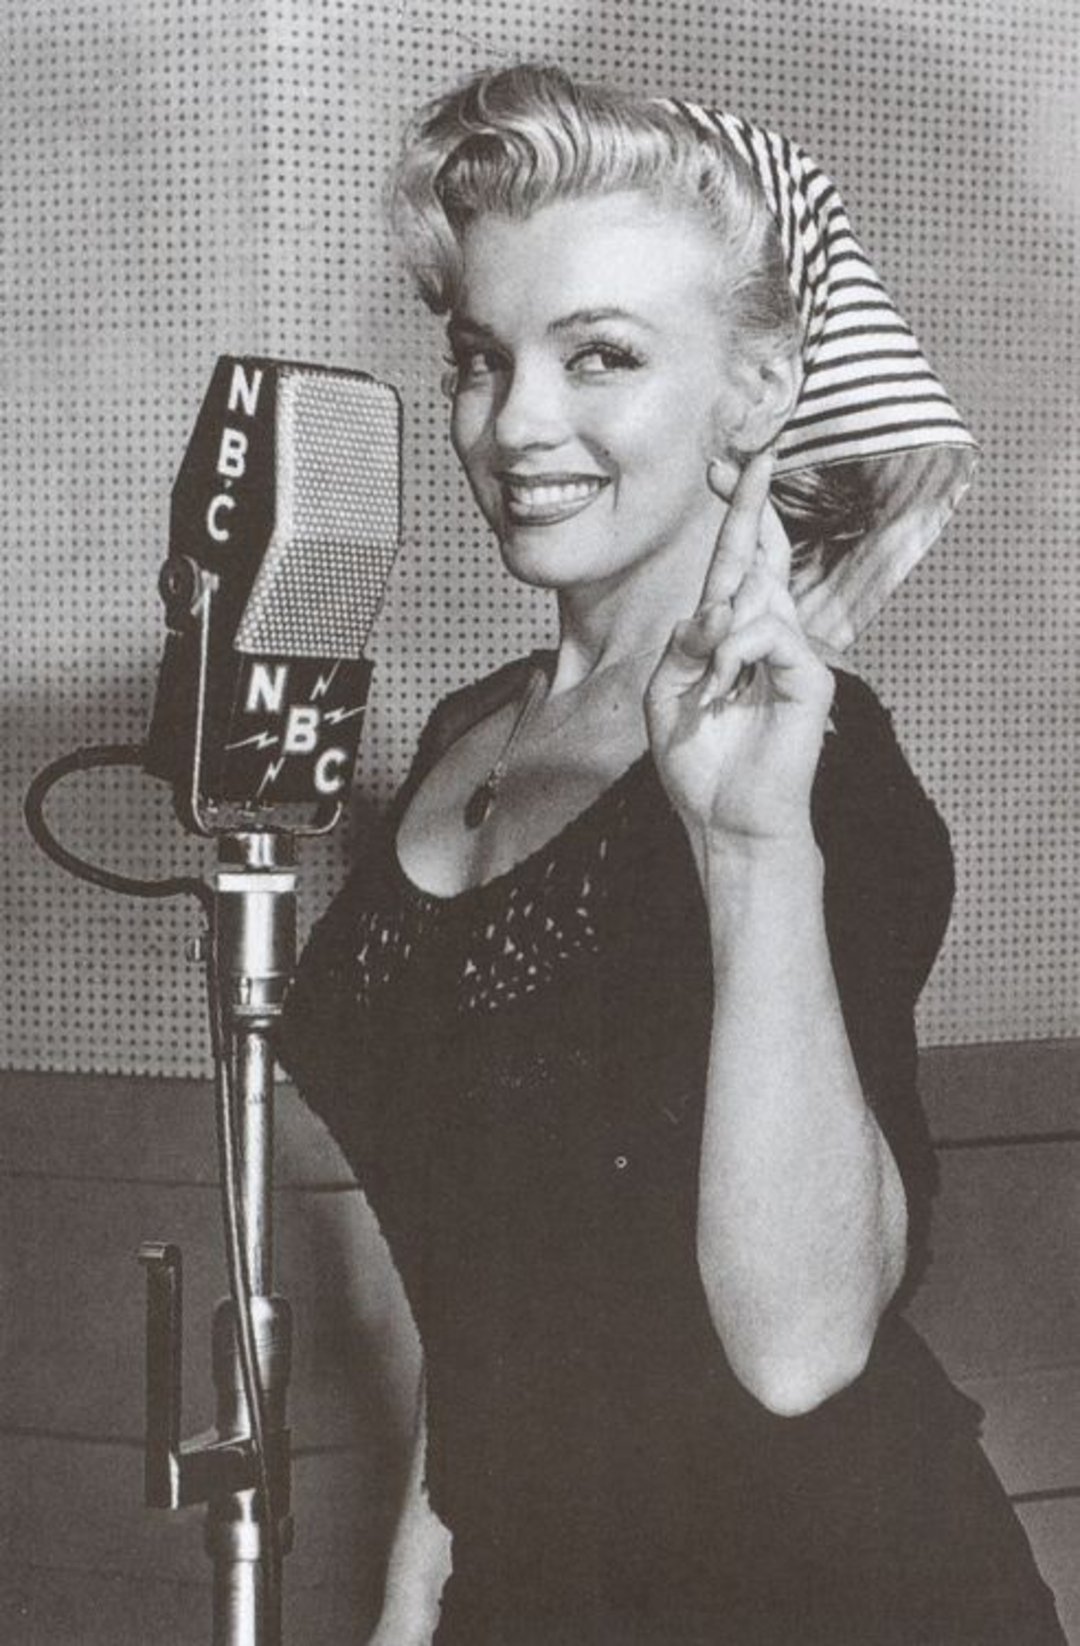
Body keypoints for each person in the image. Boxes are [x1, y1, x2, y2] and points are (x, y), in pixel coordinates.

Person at [276, 63, 1065, 1645]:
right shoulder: (465, 734)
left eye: (603, 357)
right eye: (481, 358)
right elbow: (493, 1277)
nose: (517, 425)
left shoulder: (820, 774)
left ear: (758, 390)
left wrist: (753, 843)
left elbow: (800, 1348)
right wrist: (405, 1613)